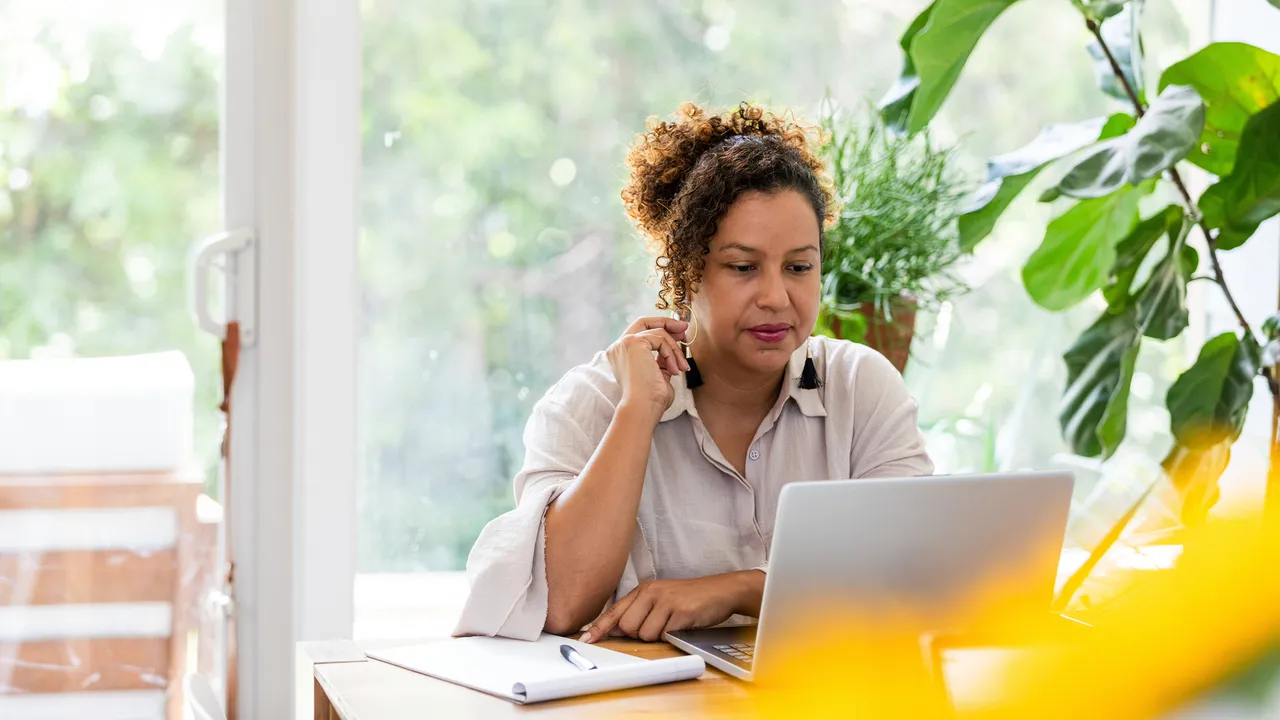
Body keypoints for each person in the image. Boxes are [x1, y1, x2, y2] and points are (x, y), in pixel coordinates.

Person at [453, 102, 932, 644]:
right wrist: (637, 412)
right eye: (743, 267)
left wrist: (736, 589)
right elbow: (559, 603)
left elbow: (918, 580)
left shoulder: (860, 387)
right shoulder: (591, 401)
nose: (777, 297)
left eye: (799, 267)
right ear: (685, 273)